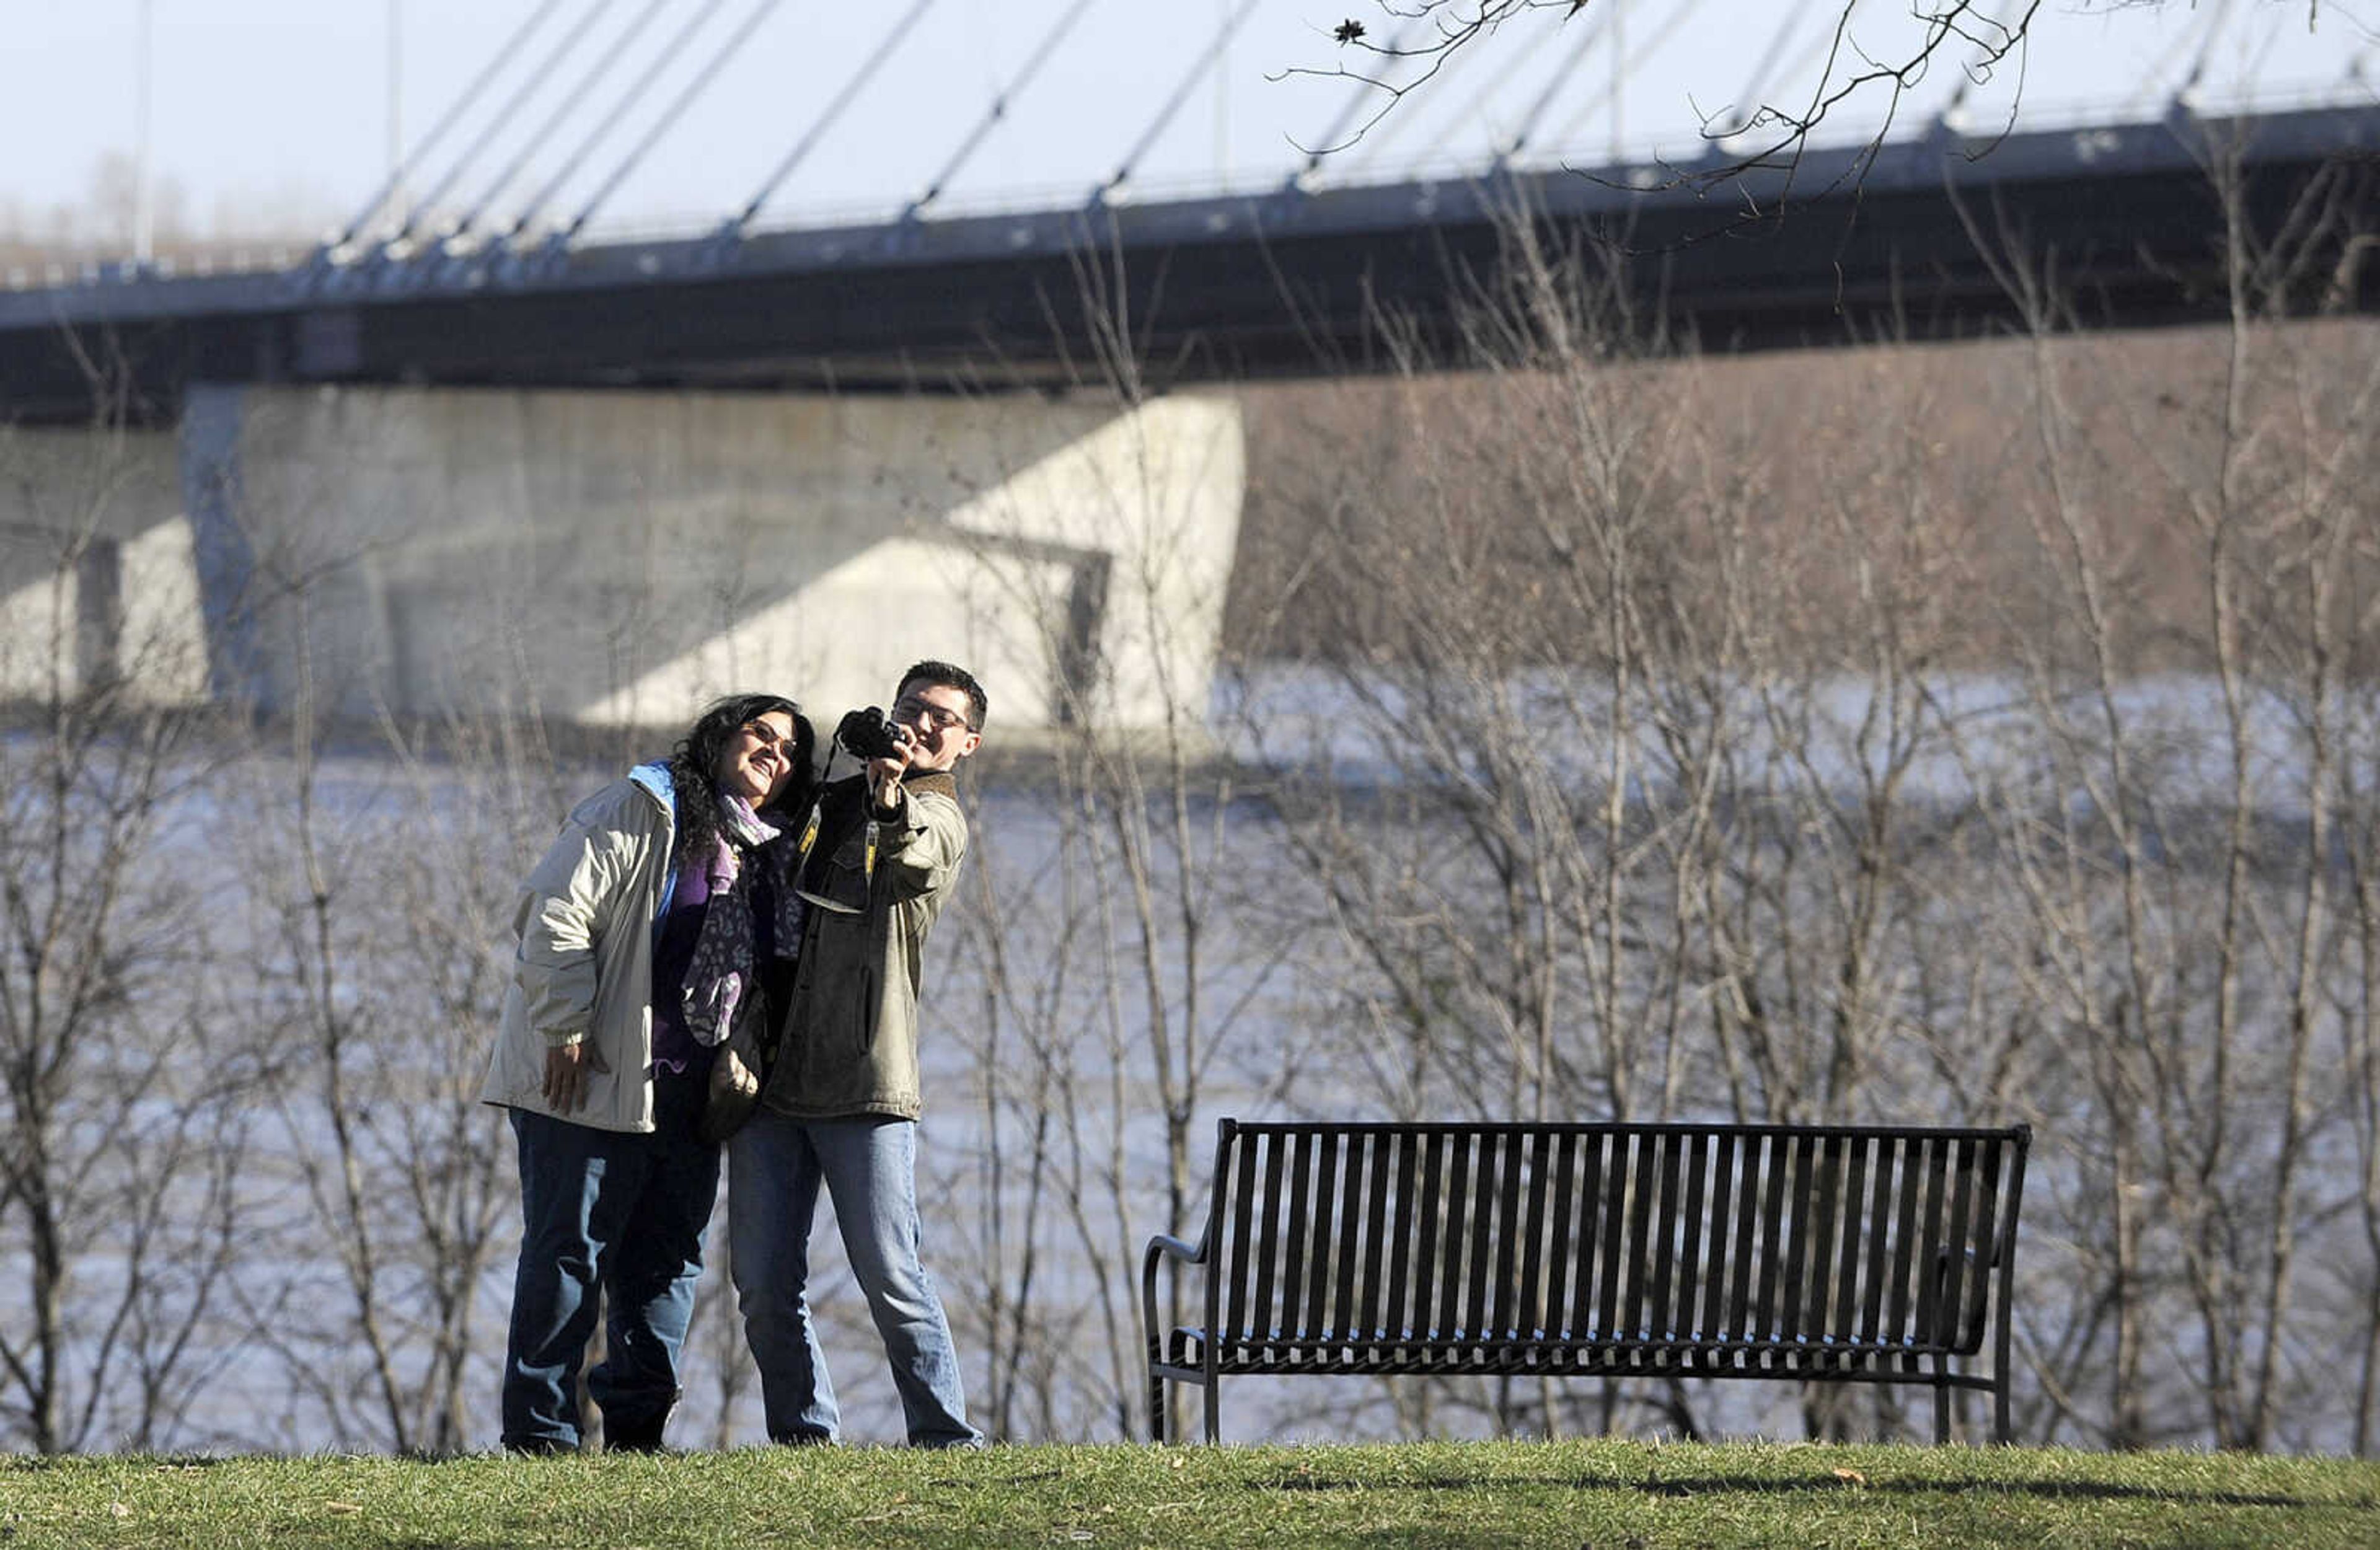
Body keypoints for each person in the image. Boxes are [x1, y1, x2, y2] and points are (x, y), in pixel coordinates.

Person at [482, 692, 814, 1455]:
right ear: (717, 737)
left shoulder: (771, 847)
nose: (775, 752)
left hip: (692, 1096)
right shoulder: (645, 807)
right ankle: (540, 1433)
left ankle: (637, 1434)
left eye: (791, 748)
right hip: (591, 1074)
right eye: (759, 733)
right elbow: (555, 912)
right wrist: (564, 1025)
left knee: (666, 1263)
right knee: (569, 1255)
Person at [729, 659, 988, 1448]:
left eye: (942, 717)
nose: (923, 722)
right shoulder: (836, 799)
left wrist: (888, 792)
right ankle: (805, 1437)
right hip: (771, 1079)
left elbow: (915, 857)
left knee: (891, 1276)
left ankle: (946, 1440)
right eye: (913, 707)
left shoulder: (937, 813)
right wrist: (834, 764)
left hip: (865, 1080)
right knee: (765, 1285)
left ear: (967, 742)